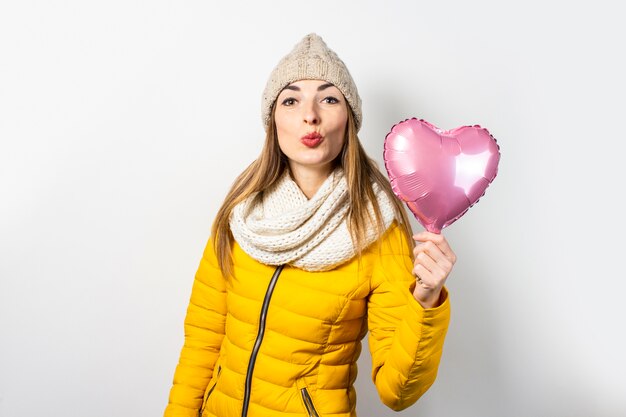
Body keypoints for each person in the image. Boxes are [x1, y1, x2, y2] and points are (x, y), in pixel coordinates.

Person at [164, 33, 456, 417]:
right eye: (291, 99)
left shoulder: (379, 228)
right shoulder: (242, 213)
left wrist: (426, 300)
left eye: (329, 98)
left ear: (348, 118)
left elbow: (396, 393)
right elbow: (202, 343)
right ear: (273, 119)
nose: (310, 115)